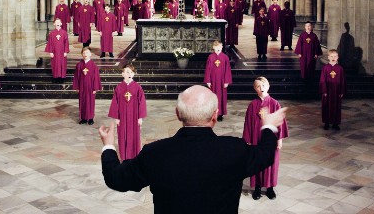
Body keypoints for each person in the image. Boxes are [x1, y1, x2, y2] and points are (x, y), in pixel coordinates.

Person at [99, 85, 287, 214]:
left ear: (178, 114)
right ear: (215, 116)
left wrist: (108, 146)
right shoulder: (234, 150)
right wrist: (269, 127)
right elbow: (265, 154)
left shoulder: (155, 153)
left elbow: (116, 178)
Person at [243, 77, 288, 201]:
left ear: (268, 86)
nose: (261, 88)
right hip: (256, 138)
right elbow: (247, 123)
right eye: (258, 86)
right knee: (256, 161)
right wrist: (247, 139)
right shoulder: (252, 105)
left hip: (270, 139)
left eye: (263, 85)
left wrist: (279, 139)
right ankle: (257, 187)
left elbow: (280, 123)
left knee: (270, 162)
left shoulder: (274, 103)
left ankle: (269, 188)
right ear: (255, 89)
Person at [108, 65, 147, 161]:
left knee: (135, 135)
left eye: (131, 72)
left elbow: (142, 102)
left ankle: (135, 155)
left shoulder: (137, 87)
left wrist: (140, 117)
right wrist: (116, 117)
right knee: (122, 135)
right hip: (122, 116)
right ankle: (124, 156)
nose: (129, 74)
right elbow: (115, 102)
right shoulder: (119, 88)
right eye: (127, 72)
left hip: (134, 116)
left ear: (134, 74)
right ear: (122, 74)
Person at [204, 40, 232, 121]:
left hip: (222, 81)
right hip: (213, 81)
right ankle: (213, 113)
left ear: (222, 47)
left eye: (219, 48)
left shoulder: (225, 57)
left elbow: (227, 70)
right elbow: (208, 69)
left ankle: (220, 114)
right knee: (213, 97)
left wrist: (227, 81)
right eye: (216, 49)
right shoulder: (210, 57)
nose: (217, 51)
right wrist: (208, 81)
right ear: (213, 48)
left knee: (221, 97)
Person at [72, 47, 101, 125]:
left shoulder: (93, 65)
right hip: (81, 87)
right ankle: (84, 118)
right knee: (82, 102)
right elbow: (76, 76)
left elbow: (96, 77)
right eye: (84, 53)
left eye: (87, 53)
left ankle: (91, 118)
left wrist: (95, 88)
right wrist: (77, 87)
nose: (85, 54)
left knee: (90, 102)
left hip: (90, 87)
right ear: (82, 54)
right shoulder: (79, 65)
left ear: (90, 54)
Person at [320, 49, 346, 130]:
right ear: (328, 57)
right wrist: (324, 90)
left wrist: (342, 91)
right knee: (326, 106)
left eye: (335, 56)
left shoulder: (340, 68)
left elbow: (343, 80)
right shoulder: (325, 68)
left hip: (337, 91)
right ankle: (326, 122)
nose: (333, 58)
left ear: (338, 57)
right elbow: (322, 80)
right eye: (331, 56)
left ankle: (335, 123)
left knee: (336, 107)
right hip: (327, 91)